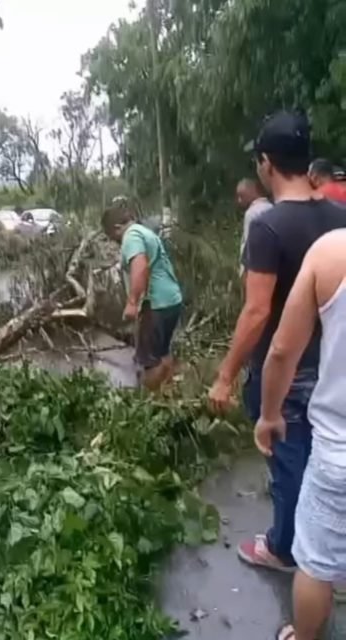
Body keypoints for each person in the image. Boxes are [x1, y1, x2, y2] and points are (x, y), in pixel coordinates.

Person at [208, 110, 346, 571]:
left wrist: (225, 376)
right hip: (332, 366)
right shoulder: (340, 217)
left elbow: (257, 311)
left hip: (285, 372)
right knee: (328, 461)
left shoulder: (267, 226)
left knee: (290, 465)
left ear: (266, 163)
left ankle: (285, 548)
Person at [255, 229, 346, 640]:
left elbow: (282, 350)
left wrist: (269, 414)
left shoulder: (331, 252)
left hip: (339, 450)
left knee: (315, 562)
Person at [102, 200, 182, 390]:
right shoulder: (144, 232)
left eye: (112, 237)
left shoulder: (131, 236)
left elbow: (140, 265)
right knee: (162, 354)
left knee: (149, 362)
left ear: (116, 228)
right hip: (171, 301)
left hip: (154, 304)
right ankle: (167, 398)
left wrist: (132, 302)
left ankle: (149, 409)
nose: (114, 242)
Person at [236, 178, 272, 275]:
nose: (239, 201)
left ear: (252, 192)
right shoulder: (272, 207)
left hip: (254, 269)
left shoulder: (252, 213)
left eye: (241, 196)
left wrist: (245, 271)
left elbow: (249, 244)